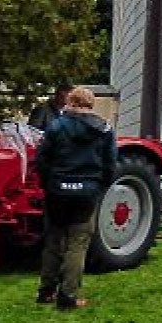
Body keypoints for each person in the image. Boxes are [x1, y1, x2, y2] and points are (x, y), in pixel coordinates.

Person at [35, 86, 116, 310]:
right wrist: (101, 185)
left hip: (57, 190)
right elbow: (110, 162)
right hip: (87, 192)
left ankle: (46, 291)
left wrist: (47, 183)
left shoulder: (56, 126)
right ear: (91, 104)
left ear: (70, 102)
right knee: (77, 243)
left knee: (53, 241)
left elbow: (42, 159)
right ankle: (68, 295)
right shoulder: (104, 129)